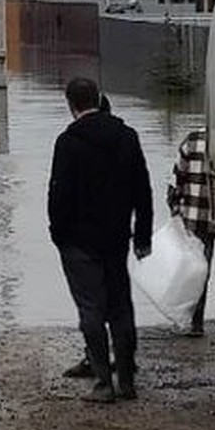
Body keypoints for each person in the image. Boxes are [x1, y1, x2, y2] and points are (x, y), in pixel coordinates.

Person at [48, 77, 153, 403]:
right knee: (121, 307)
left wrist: (58, 234)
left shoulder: (68, 142)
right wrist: (143, 235)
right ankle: (127, 381)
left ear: (71, 104)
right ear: (98, 98)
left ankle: (103, 383)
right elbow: (143, 192)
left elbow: (59, 195)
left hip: (80, 242)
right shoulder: (128, 137)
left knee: (91, 309)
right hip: (117, 238)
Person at [166, 126, 215, 337]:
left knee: (198, 270)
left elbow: (177, 179)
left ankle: (197, 324)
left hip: (196, 218)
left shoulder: (191, 140)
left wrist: (174, 207)